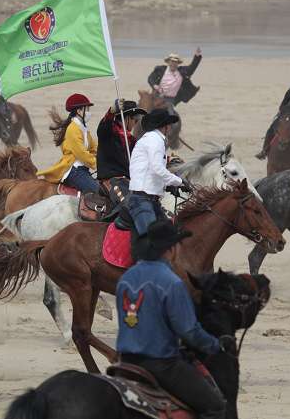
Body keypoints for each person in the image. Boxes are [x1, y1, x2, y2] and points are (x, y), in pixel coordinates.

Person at [116, 219, 233, 419]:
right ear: (171, 249)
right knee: (216, 407)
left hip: (125, 362)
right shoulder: (171, 282)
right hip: (161, 364)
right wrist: (215, 345)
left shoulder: (126, 278)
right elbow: (188, 331)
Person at [128, 109, 189, 237]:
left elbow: (152, 171)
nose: (170, 127)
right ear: (165, 126)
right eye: (169, 124)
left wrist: (168, 186)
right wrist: (179, 182)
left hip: (150, 200)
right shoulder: (155, 140)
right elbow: (157, 168)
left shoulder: (152, 139)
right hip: (143, 200)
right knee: (153, 240)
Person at [37, 93, 100, 194]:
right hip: (75, 171)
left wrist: (102, 157)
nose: (89, 112)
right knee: (98, 191)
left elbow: (93, 147)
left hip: (83, 169)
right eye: (87, 109)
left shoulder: (83, 128)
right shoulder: (73, 129)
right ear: (79, 111)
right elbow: (81, 153)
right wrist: (96, 163)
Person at [96, 99, 146, 188]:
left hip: (127, 181)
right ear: (127, 118)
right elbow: (103, 127)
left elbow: (143, 154)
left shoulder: (131, 140)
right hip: (112, 181)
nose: (135, 124)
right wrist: (111, 111)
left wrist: (165, 159)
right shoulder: (110, 131)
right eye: (135, 120)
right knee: (130, 197)